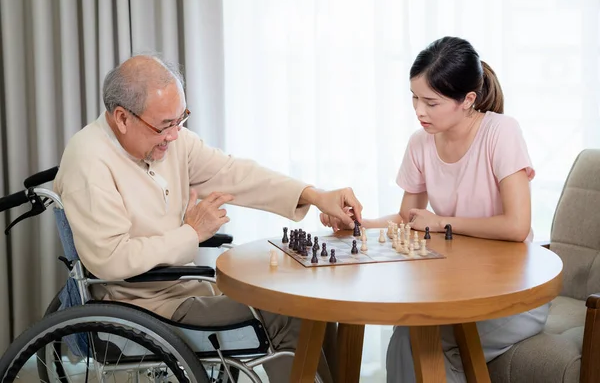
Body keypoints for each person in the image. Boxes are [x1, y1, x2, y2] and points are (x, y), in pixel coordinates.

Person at [54, 54, 363, 382]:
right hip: (143, 308)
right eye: (164, 126)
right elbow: (111, 259)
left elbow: (233, 173)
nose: (174, 136)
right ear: (122, 118)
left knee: (316, 307)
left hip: (187, 289)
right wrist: (190, 232)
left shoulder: (169, 141)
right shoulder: (88, 161)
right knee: (292, 313)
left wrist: (314, 196)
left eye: (180, 120)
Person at [319, 36, 548, 382]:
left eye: (431, 101)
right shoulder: (420, 142)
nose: (419, 111)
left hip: (513, 293)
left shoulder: (501, 132)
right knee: (404, 337)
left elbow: (517, 227)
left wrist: (441, 223)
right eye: (414, 97)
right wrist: (359, 225)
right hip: (456, 289)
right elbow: (406, 218)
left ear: (468, 100)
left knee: (420, 346)